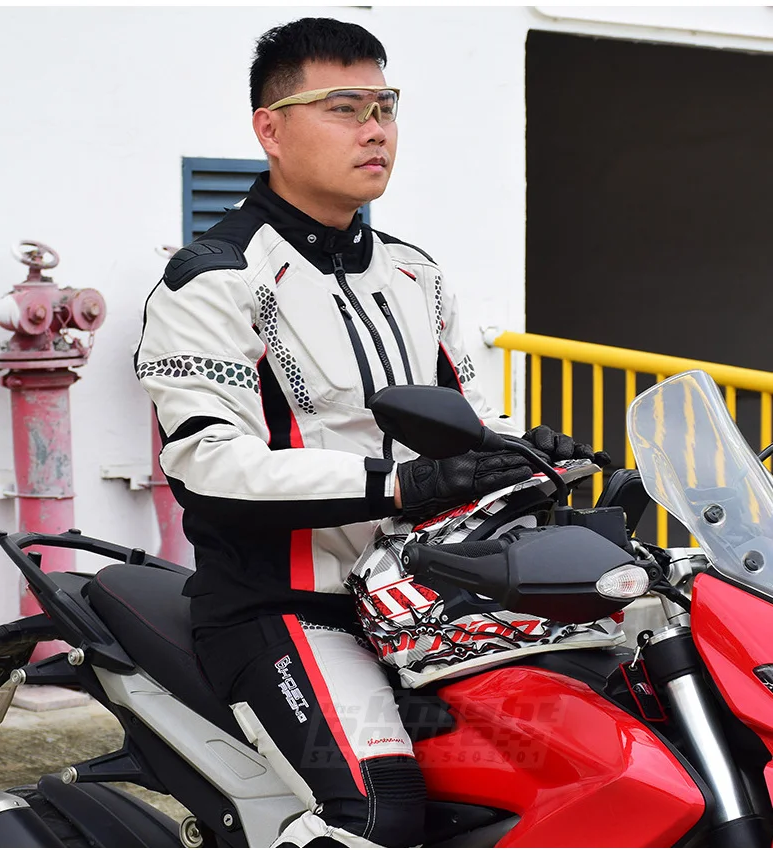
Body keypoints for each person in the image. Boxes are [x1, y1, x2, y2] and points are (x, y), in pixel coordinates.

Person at [135, 17, 601, 848]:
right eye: (344, 108)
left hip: (427, 601)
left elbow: (467, 419)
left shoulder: (416, 273)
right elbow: (209, 464)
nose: (375, 129)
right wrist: (401, 484)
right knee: (379, 812)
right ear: (270, 129)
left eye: (385, 106)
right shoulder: (214, 279)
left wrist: (528, 451)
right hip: (284, 607)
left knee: (582, 747)